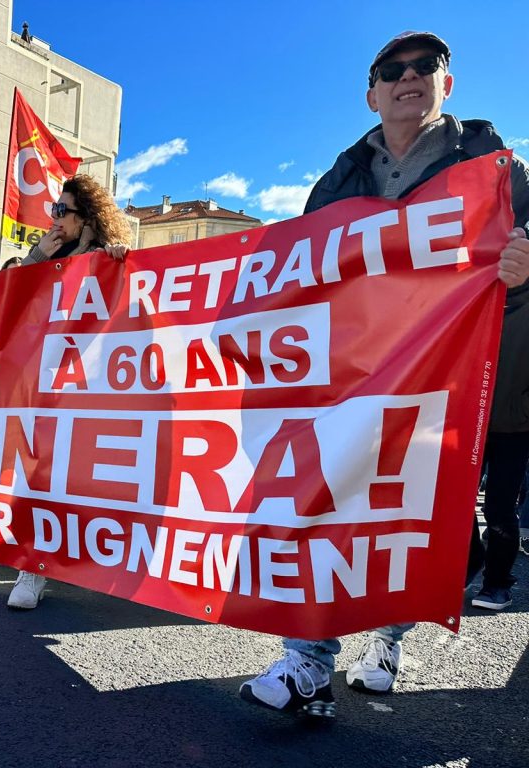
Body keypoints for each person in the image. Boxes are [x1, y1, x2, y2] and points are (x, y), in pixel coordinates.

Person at [238, 31, 529, 720]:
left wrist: (523, 274)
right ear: (371, 94)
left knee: (408, 519)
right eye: (391, 70)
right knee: (321, 504)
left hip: (442, 379)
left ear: (446, 85)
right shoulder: (338, 179)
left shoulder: (498, 169)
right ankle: (306, 661)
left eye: (426, 66)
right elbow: (295, 277)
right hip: (350, 377)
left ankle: (387, 640)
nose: (409, 77)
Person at [8, 174, 132, 609]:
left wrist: (119, 261)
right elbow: (15, 296)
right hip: (46, 382)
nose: (56, 218)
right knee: (39, 472)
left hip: (92, 388)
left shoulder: (109, 259)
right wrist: (40, 252)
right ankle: (34, 566)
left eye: (63, 211)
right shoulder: (48, 255)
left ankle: (95, 559)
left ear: (88, 218)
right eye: (55, 211)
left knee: (86, 478)